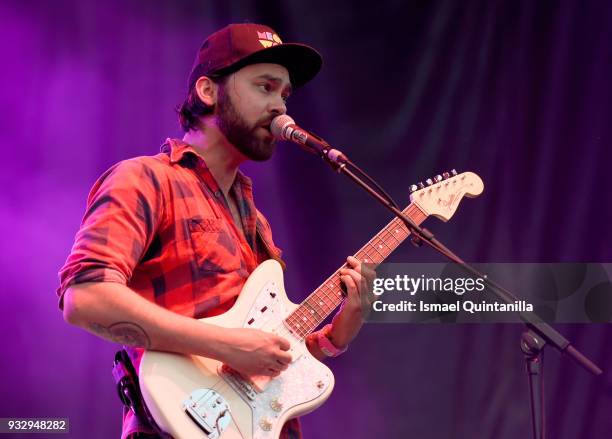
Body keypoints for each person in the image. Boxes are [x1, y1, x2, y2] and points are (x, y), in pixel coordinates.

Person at [57, 23, 368, 439]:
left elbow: (261, 357)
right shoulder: (145, 180)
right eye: (265, 87)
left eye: (284, 94)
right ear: (208, 91)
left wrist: (334, 338)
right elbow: (85, 298)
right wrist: (226, 346)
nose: (280, 107)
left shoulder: (255, 221)